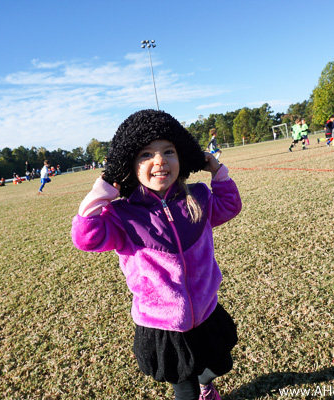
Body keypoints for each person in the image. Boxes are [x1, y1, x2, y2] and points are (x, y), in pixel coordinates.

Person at [71, 109, 242, 400]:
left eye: (168, 151)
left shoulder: (197, 196)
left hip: (206, 310)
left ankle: (206, 384)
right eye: (145, 155)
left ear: (182, 157)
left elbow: (229, 206)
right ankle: (196, 391)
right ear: (130, 166)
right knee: (182, 385)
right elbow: (86, 237)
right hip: (163, 323)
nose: (159, 160)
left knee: (219, 364)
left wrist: (217, 172)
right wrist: (103, 190)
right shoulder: (122, 215)